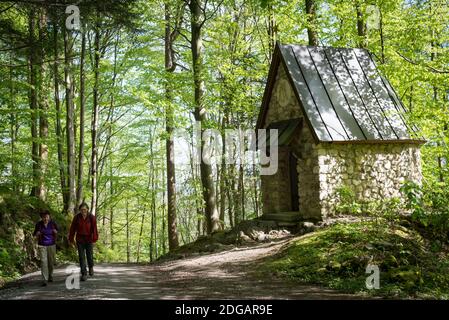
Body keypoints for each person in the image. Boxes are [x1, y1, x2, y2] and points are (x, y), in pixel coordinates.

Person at [69, 203, 98, 281]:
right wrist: (71, 239)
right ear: (80, 210)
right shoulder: (76, 217)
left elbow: (94, 228)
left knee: (89, 256)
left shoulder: (91, 217)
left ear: (87, 209)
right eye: (82, 210)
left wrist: (94, 238)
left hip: (89, 239)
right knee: (81, 257)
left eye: (84, 209)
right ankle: (84, 273)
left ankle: (91, 267)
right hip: (80, 239)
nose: (83, 211)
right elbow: (72, 229)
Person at [33, 210, 58, 286]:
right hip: (42, 245)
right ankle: (44, 279)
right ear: (41, 218)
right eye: (44, 217)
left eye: (47, 217)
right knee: (44, 262)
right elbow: (34, 234)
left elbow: (57, 231)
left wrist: (55, 232)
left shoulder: (53, 224)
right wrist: (37, 234)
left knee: (51, 262)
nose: (46, 219)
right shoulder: (39, 224)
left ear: (49, 217)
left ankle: (50, 275)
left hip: (51, 245)